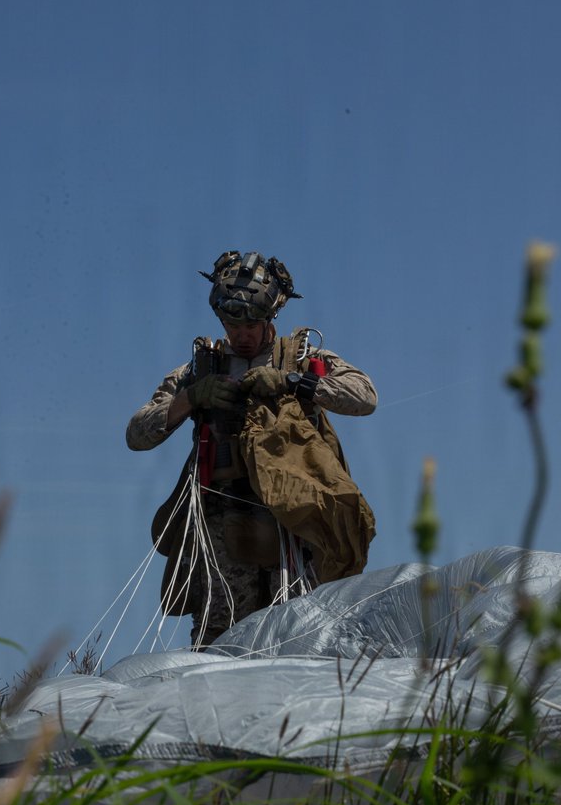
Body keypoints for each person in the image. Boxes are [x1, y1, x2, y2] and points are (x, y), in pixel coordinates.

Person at [126, 250, 377, 649]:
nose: (241, 334)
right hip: (220, 520)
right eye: (231, 323)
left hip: (293, 519)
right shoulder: (200, 368)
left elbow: (364, 396)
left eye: (252, 324)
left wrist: (294, 382)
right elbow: (138, 434)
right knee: (217, 635)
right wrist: (191, 398)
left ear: (271, 317)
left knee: (299, 629)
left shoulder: (303, 356)